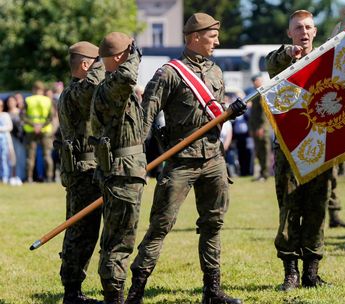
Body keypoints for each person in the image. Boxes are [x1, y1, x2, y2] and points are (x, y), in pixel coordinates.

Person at [126, 13, 244, 304]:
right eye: (212, 36)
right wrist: (137, 158)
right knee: (160, 225)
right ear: (195, 37)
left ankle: (212, 291)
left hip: (214, 159)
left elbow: (214, 111)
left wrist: (231, 111)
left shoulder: (216, 71)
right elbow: (146, 118)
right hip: (180, 161)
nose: (217, 41)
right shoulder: (169, 73)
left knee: (213, 224)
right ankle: (135, 292)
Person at [266, 9, 332, 292]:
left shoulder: (326, 60)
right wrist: (289, 54)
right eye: (298, 28)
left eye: (308, 28)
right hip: (290, 148)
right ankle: (291, 271)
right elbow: (272, 63)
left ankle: (311, 272)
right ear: (289, 33)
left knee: (317, 208)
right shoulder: (282, 61)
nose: (304, 32)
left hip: (321, 146)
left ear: (315, 32)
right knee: (290, 208)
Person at [90, 32, 146, 303]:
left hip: (128, 171)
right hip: (121, 173)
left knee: (123, 234)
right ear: (118, 57)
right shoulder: (112, 85)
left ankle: (115, 293)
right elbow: (127, 77)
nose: (134, 58)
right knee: (118, 238)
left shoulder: (113, 87)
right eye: (129, 53)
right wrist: (134, 57)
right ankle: (114, 296)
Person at [57, 41, 105, 304]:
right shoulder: (77, 92)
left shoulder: (75, 91)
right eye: (98, 62)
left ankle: (74, 289)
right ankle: (72, 292)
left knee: (85, 230)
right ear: (86, 65)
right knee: (80, 231)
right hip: (82, 170)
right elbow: (95, 83)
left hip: (85, 168)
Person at [21, 81, 55, 182]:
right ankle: (49, 177)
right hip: (45, 130)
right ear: (42, 90)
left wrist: (34, 125)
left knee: (30, 156)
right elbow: (51, 117)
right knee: (47, 155)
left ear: (33, 89)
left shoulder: (28, 100)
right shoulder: (48, 101)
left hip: (31, 130)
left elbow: (22, 115)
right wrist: (41, 126)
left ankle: (29, 178)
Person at [247, 73, 272, 181]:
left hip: (263, 128)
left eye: (256, 80)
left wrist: (261, 127)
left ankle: (265, 174)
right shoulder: (256, 92)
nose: (254, 83)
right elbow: (253, 114)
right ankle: (262, 173)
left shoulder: (263, 92)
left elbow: (264, 113)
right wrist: (252, 128)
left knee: (265, 151)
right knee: (258, 151)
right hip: (255, 127)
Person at [5, 95, 25, 184]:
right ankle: (10, 176)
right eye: (9, 102)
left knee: (20, 157)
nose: (11, 103)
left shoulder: (21, 113)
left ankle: (20, 176)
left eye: (12, 101)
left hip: (19, 138)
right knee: (9, 158)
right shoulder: (5, 113)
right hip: (8, 138)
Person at [0, 99, 13, 184]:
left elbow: (10, 127)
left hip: (4, 140)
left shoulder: (5, 115)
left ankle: (5, 176)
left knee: (4, 158)